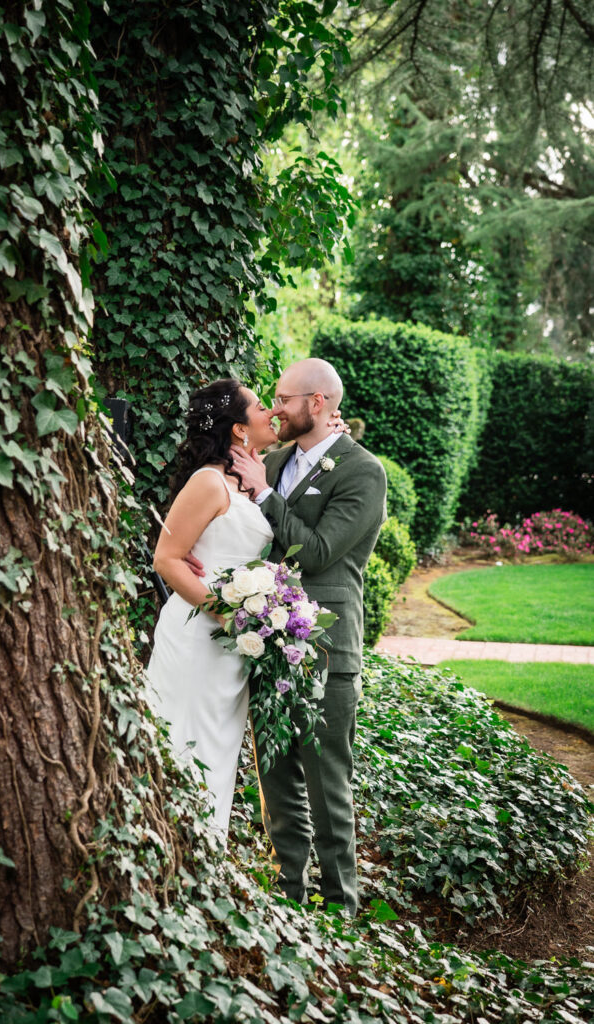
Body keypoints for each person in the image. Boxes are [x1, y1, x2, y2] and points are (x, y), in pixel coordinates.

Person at [229, 357, 387, 915]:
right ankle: (289, 898)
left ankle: (342, 909)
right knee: (275, 779)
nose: (276, 408)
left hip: (326, 647)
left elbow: (317, 553)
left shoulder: (362, 472)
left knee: (327, 783)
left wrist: (266, 494)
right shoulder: (271, 460)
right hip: (266, 643)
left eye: (285, 399)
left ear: (318, 403)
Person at [146, 378, 276, 835]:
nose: (272, 413)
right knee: (184, 741)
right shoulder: (207, 481)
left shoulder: (250, 480)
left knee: (217, 751)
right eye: (262, 407)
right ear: (240, 428)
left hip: (234, 648)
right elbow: (167, 558)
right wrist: (229, 613)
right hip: (199, 636)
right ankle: (163, 847)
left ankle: (203, 858)